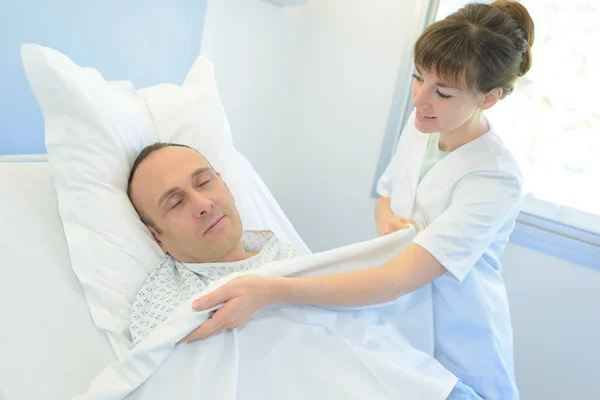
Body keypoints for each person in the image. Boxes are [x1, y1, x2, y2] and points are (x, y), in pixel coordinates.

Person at [185, 1, 534, 399]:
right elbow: (387, 196)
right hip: (399, 320)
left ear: (488, 98)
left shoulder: (495, 177)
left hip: (458, 337)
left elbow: (398, 279)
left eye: (443, 92)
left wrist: (273, 288)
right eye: (419, 78)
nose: (419, 100)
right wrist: (389, 224)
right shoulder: (425, 121)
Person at [127, 142, 482, 400]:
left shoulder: (282, 253)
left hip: (428, 386)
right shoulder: (163, 302)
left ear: (226, 186)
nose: (202, 204)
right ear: (157, 236)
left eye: (204, 183)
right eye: (175, 202)